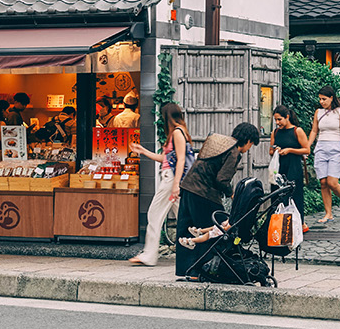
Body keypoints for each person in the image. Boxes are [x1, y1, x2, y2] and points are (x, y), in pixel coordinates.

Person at [175, 122, 261, 279]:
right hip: (204, 193)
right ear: (248, 140)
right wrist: (231, 194)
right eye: (251, 144)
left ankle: (185, 269)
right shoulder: (233, 151)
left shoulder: (219, 142)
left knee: (185, 228)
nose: (249, 148)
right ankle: (201, 270)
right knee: (217, 229)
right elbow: (221, 180)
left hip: (188, 187)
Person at [128, 102, 192, 267]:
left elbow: (181, 160)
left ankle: (149, 255)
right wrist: (143, 151)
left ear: (166, 116)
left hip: (170, 179)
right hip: (172, 178)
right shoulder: (179, 131)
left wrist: (176, 184)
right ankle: (196, 250)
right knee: (185, 218)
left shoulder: (177, 133)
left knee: (154, 215)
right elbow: (167, 159)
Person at [308, 86, 340, 224]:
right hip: (321, 147)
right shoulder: (318, 112)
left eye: (324, 99)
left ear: (332, 98)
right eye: (320, 99)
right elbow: (314, 131)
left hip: (336, 147)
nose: (321, 102)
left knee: (332, 182)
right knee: (323, 183)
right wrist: (308, 146)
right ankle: (328, 213)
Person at [270, 105, 309, 232]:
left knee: (294, 194)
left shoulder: (297, 131)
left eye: (279, 119)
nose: (277, 123)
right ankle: (279, 223)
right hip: (279, 167)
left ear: (287, 117)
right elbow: (270, 150)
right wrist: (275, 150)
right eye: (275, 120)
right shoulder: (275, 132)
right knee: (277, 194)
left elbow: (307, 149)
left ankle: (299, 223)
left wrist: (290, 150)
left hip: (293, 166)